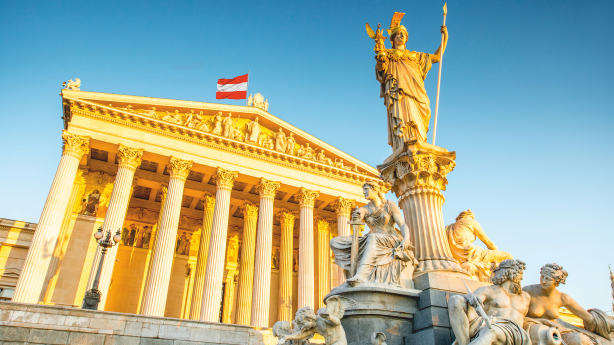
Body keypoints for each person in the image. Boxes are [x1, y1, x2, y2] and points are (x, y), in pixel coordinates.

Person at [375, 13, 448, 149]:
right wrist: (380, 59)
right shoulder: (388, 56)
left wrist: (445, 38)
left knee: (422, 117)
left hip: (417, 93)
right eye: (399, 34)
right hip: (400, 94)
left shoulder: (415, 56)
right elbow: (381, 73)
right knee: (403, 121)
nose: (402, 36)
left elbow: (437, 57)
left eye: (404, 34)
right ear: (392, 38)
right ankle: (404, 147)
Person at [330, 179, 417, 287]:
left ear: (375, 190)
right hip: (372, 238)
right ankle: (352, 272)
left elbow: (402, 224)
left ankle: (362, 274)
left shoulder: (390, 205)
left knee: (373, 238)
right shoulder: (365, 209)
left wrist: (406, 239)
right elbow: (358, 220)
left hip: (389, 239)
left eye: (366, 189)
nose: (364, 192)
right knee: (335, 241)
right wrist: (356, 218)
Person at [523, 264, 614, 345]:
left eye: (548, 279)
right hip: (534, 330)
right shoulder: (529, 291)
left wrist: (609, 323)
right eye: (542, 277)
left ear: (556, 282)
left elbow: (588, 318)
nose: (543, 281)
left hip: (559, 330)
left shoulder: (562, 297)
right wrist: (543, 322)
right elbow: (518, 315)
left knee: (581, 339)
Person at [448, 259, 531, 345]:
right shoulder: (489, 290)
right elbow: (471, 303)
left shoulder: (525, 297)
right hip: (488, 324)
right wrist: (470, 296)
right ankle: (464, 343)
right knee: (456, 300)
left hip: (513, 331)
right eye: (520, 274)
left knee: (491, 331)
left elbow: (533, 318)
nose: (522, 277)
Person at [446, 210, 513, 282]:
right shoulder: (470, 221)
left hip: (458, 258)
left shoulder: (450, 227)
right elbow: (488, 242)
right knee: (508, 256)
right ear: (470, 216)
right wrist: (496, 253)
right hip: (472, 253)